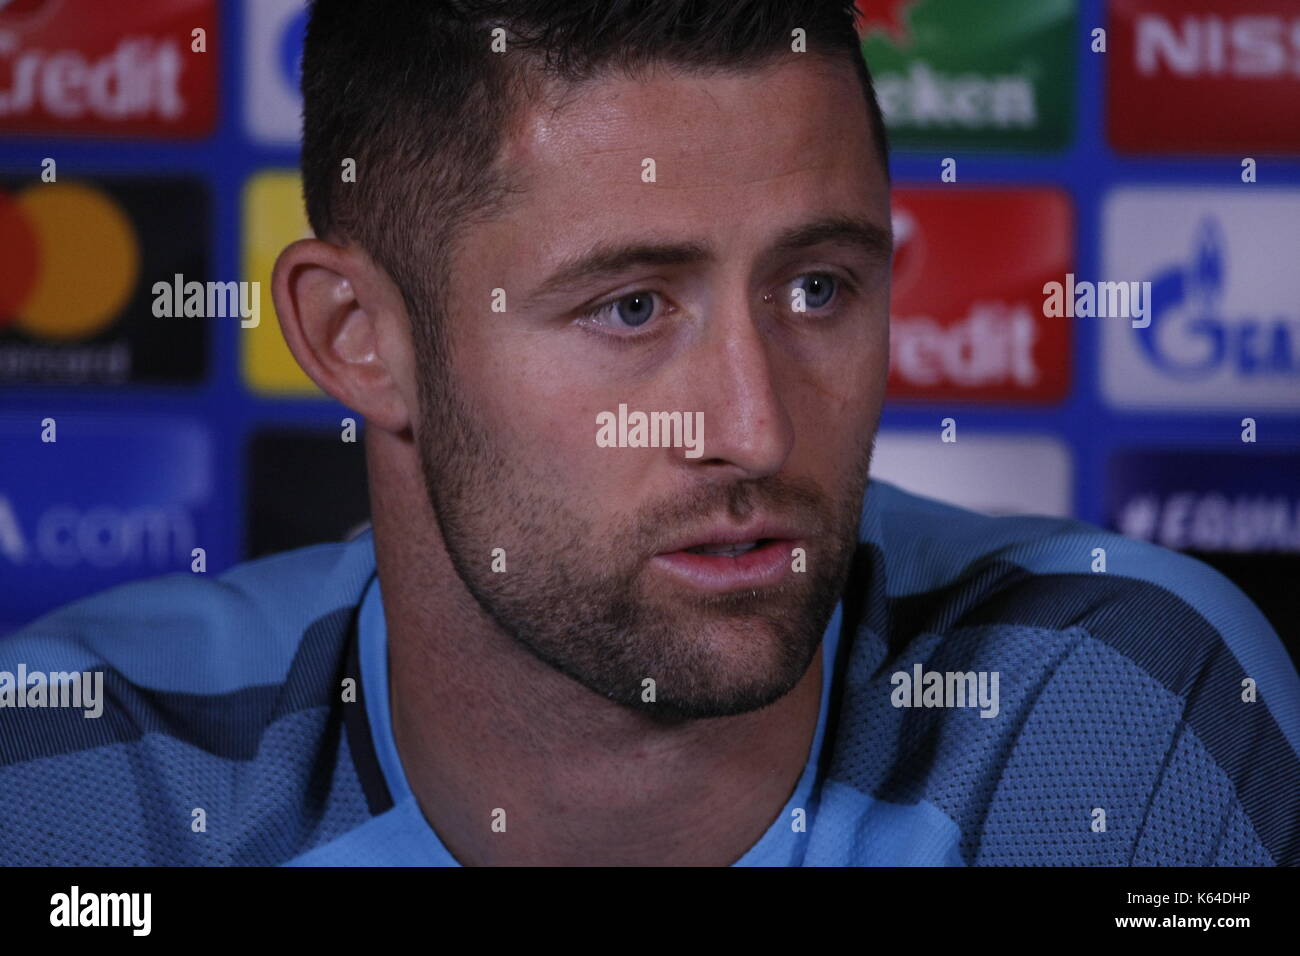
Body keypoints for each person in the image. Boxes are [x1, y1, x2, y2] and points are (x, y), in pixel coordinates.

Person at [2, 0, 1296, 866]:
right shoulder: (85, 779)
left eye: (817, 289)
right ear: (356, 335)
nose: (754, 427)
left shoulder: (1119, 717)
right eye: (630, 307)